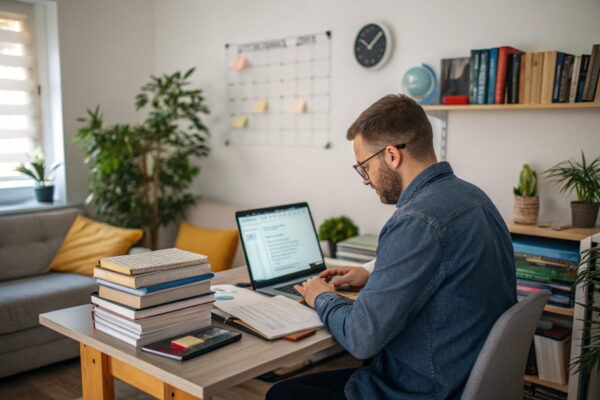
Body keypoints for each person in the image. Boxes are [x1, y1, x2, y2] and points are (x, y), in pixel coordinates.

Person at [266, 94, 517, 400]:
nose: (365, 180)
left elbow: (361, 338)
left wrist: (322, 297)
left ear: (391, 156)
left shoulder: (416, 220)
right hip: (459, 375)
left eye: (363, 167)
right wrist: (373, 274)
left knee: (281, 394)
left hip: (422, 388)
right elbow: (448, 274)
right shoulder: (473, 197)